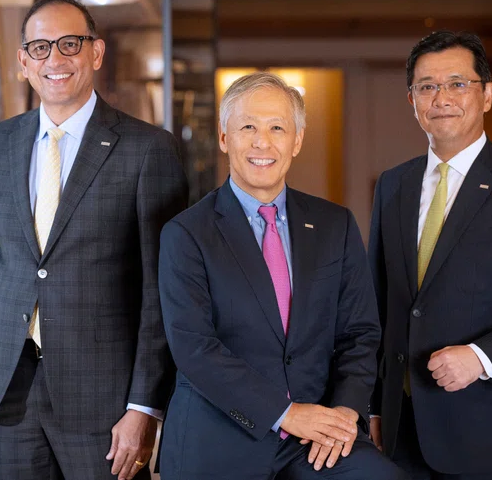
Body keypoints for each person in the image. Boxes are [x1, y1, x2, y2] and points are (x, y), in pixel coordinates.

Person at [0, 0, 188, 480]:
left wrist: (144, 406)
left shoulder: (148, 150)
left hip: (105, 407)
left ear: (95, 53)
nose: (55, 59)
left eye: (69, 44)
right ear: (23, 62)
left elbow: (160, 293)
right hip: (4, 395)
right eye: (40, 48)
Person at [158, 72, 407, 480]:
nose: (262, 142)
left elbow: (360, 333)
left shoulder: (335, 225)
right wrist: (286, 414)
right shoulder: (187, 234)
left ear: (297, 140)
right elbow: (194, 348)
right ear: (224, 138)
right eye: (248, 127)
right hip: (221, 437)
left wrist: (345, 412)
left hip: (317, 438)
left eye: (277, 127)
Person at [367, 31, 492, 479]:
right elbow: (378, 304)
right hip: (398, 426)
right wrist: (373, 404)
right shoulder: (393, 185)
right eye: (427, 86)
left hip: (477, 425)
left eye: (458, 83)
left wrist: (480, 357)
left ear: (488, 95)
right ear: (412, 100)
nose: (441, 98)